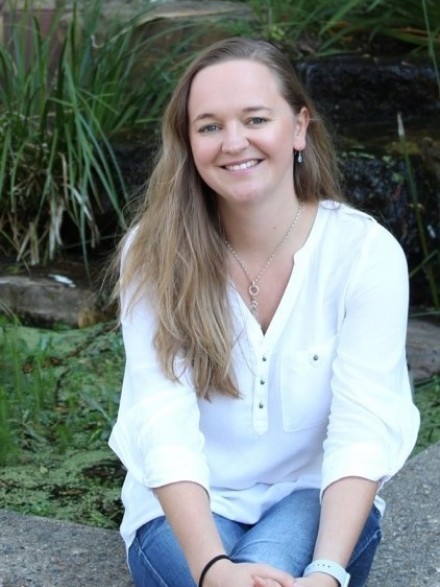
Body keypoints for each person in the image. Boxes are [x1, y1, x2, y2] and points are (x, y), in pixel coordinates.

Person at [108, 37, 420, 587]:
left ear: (299, 128)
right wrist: (211, 569)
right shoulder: (154, 252)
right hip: (185, 511)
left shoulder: (364, 255)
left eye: (255, 118)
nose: (233, 142)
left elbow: (362, 430)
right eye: (208, 126)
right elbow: (160, 424)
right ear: (188, 141)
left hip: (313, 499)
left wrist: (326, 573)